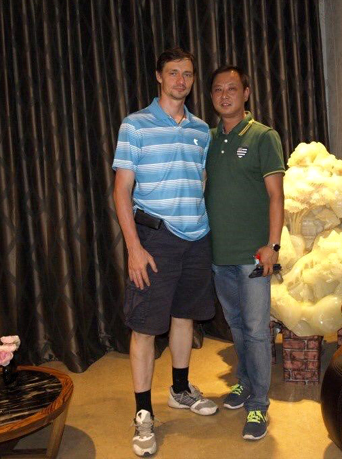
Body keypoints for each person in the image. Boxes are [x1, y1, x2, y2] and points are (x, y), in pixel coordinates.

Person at [112, 48, 217, 457]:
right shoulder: (135, 125)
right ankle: (143, 413)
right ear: (159, 76)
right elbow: (122, 191)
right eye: (173, 73)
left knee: (184, 316)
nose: (180, 81)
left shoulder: (201, 129)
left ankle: (180, 389)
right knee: (144, 327)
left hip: (196, 237)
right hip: (155, 239)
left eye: (187, 74)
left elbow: (201, 179)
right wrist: (134, 247)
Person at [205, 65, 285, 441]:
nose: (225, 95)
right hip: (219, 254)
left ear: (246, 93)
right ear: (211, 96)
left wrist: (273, 246)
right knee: (236, 326)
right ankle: (246, 380)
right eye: (218, 90)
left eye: (232, 89)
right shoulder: (207, 139)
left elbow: (276, 196)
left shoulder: (263, 137)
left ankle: (259, 405)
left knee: (255, 330)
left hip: (253, 256)